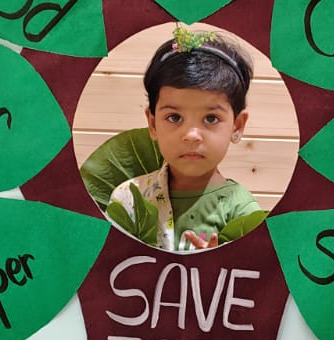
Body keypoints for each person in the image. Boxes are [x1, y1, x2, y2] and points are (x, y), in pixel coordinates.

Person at [97, 27, 266, 252]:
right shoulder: (129, 198)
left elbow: (255, 269)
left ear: (237, 126)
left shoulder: (241, 210)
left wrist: (219, 263)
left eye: (211, 118)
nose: (191, 135)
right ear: (153, 124)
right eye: (174, 117)